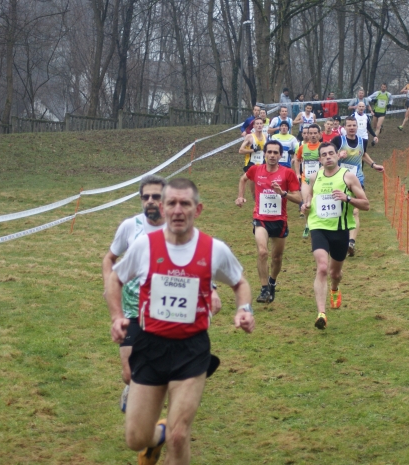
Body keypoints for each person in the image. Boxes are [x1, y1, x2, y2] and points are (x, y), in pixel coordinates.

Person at [105, 178, 255, 465]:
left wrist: (244, 310)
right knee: (135, 438)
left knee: (179, 435)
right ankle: (156, 436)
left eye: (185, 203)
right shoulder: (145, 246)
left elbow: (240, 283)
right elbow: (116, 278)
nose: (177, 210)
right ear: (162, 207)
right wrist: (117, 318)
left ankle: (169, 434)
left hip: (191, 350)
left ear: (197, 210)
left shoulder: (214, 249)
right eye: (171, 203)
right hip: (150, 348)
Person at [102, 176, 168, 413]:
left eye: (156, 196)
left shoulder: (178, 228)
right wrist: (109, 286)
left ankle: (150, 417)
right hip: (131, 309)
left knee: (162, 370)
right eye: (145, 197)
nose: (150, 201)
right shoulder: (130, 226)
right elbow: (109, 258)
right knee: (129, 373)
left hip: (165, 311)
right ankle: (135, 387)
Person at [301, 142, 369, 329]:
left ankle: (334, 288)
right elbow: (307, 189)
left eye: (331, 153)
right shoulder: (315, 177)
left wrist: (347, 198)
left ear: (338, 155)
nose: (328, 157)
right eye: (324, 155)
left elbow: (366, 204)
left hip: (340, 229)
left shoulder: (348, 177)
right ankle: (321, 313)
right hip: (318, 227)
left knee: (335, 272)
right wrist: (305, 203)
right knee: (322, 267)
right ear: (320, 159)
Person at [236, 140, 302, 303]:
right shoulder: (256, 169)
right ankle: (264, 288)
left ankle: (272, 281)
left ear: (281, 155)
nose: (272, 155)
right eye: (269, 152)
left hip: (280, 220)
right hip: (261, 218)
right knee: (263, 251)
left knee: (277, 258)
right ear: (264, 154)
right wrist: (240, 196)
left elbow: (299, 198)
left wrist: (283, 193)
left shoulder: (287, 173)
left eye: (275, 152)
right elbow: (243, 179)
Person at [332, 116, 384, 256]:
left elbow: (363, 154)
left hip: (357, 180)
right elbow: (327, 157)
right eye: (349, 125)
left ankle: (351, 242)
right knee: (339, 211)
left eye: (354, 125)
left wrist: (373, 165)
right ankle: (338, 240)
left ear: (357, 126)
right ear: (344, 127)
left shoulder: (362, 141)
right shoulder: (338, 140)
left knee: (355, 211)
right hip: (340, 179)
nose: (352, 128)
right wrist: (338, 155)